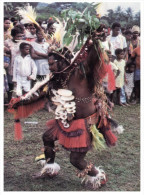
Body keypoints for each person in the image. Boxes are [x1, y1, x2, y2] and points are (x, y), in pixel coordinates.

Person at [8, 32, 124, 189]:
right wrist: (20, 104)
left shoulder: (80, 74)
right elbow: (39, 96)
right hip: (66, 120)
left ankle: (98, 176)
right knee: (47, 138)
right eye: (48, 65)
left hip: (85, 123)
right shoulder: (55, 80)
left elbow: (95, 58)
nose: (50, 68)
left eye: (52, 64)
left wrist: (94, 40)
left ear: (62, 62)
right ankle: (50, 168)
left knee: (75, 160)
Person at [4, 28, 24, 102]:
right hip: (10, 66)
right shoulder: (7, 42)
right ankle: (10, 99)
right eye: (17, 36)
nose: (19, 38)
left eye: (21, 36)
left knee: (19, 83)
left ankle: (19, 99)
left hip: (20, 65)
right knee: (10, 83)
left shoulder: (22, 43)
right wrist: (8, 54)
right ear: (13, 36)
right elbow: (4, 52)